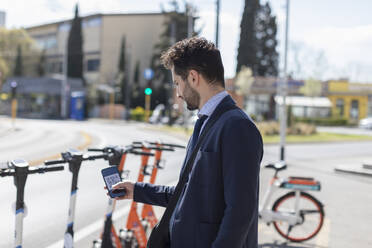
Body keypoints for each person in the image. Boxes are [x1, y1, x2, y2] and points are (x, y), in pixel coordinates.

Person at [112, 37, 263, 248]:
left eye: (177, 83)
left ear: (193, 77)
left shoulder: (237, 127)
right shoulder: (206, 122)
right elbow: (188, 193)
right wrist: (136, 190)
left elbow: (240, 212)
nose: (178, 93)